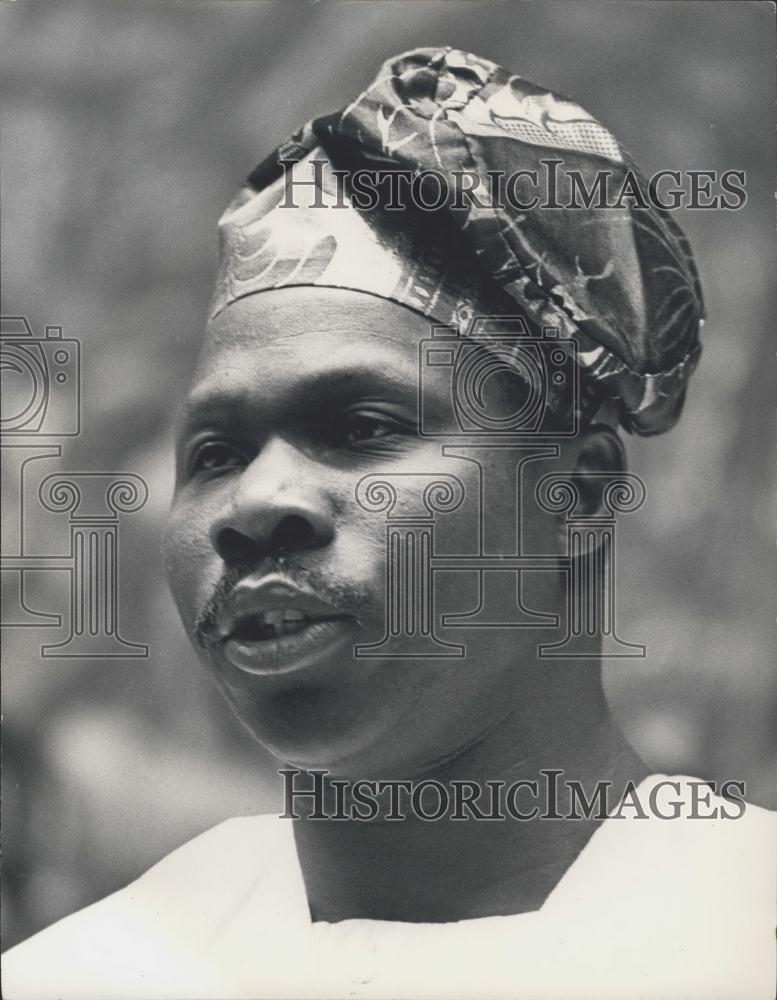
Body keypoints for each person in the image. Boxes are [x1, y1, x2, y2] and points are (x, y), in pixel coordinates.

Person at [3, 46, 774, 1000]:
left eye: (361, 427)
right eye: (214, 452)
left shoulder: (742, 934)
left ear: (577, 494)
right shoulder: (86, 976)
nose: (253, 504)